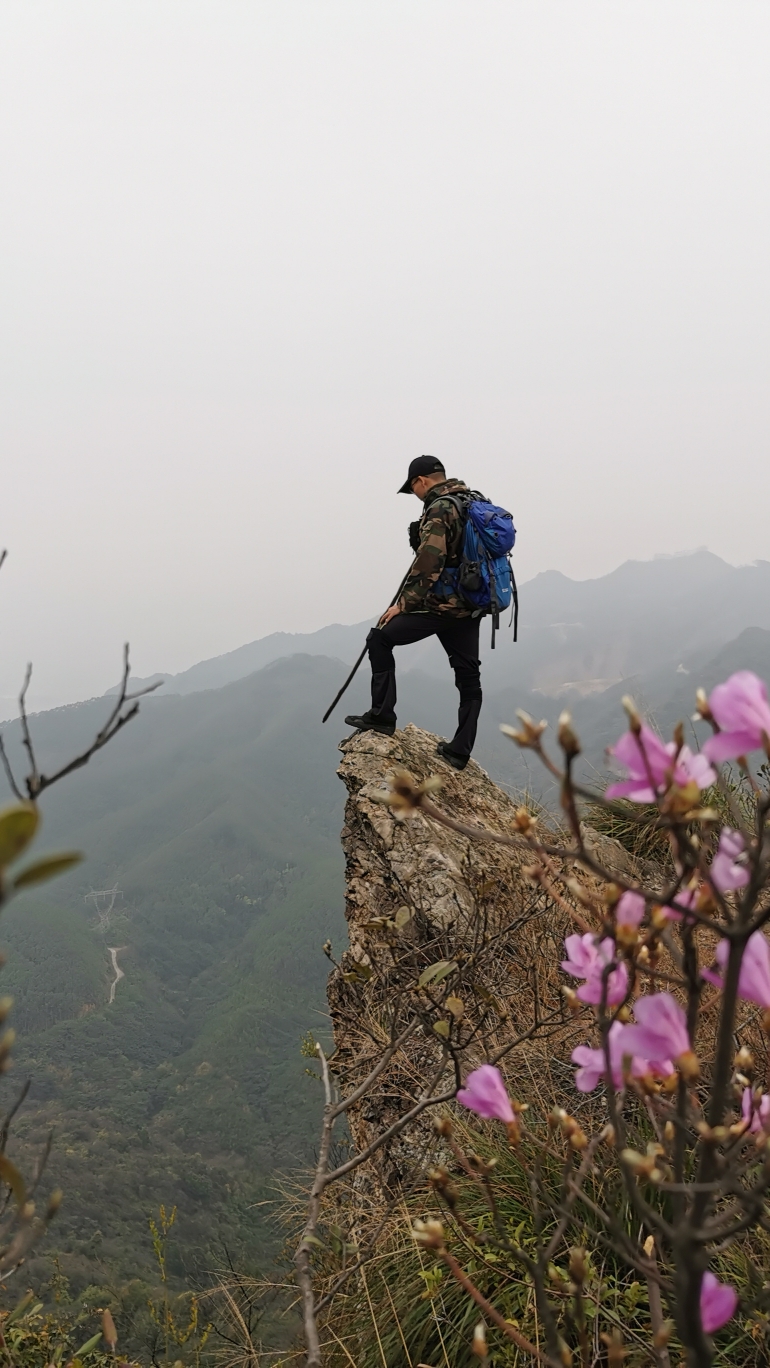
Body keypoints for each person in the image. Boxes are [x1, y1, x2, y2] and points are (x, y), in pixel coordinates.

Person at [345, 455, 483, 771]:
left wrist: (402, 606)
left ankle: (381, 715)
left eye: (413, 488)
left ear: (420, 481)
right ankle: (460, 750)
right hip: (471, 605)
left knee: (379, 637)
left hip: (440, 606)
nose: (416, 495)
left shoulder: (440, 508)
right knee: (468, 676)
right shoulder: (471, 500)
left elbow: (429, 562)